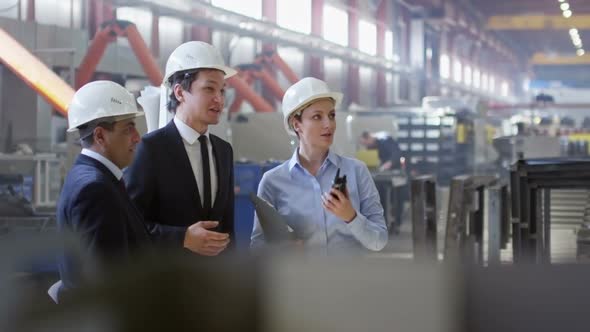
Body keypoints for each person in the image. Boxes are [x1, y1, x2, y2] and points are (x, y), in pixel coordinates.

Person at [250, 77, 388, 254]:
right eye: (317, 117)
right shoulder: (273, 182)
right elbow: (257, 248)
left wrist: (351, 217)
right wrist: (281, 250)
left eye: (331, 115)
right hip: (300, 280)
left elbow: (379, 241)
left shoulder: (356, 172)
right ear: (296, 124)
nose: (328, 124)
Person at [124, 41, 236, 256]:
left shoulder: (223, 151)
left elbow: (227, 227)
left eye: (222, 90)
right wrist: (181, 238)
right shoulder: (151, 149)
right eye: (209, 88)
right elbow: (130, 225)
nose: (219, 99)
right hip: (168, 282)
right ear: (180, 92)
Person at [56, 81, 149, 302]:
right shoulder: (95, 189)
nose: (137, 137)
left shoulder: (95, 177)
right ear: (100, 136)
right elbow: (107, 283)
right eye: (128, 128)